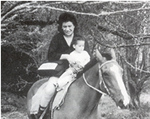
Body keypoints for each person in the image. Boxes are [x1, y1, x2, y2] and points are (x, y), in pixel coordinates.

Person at [30, 12, 91, 117]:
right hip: (60, 71)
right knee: (49, 89)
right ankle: (41, 112)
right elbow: (51, 55)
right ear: (61, 27)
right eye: (64, 26)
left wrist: (81, 66)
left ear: (74, 26)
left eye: (69, 26)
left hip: (79, 72)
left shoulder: (81, 39)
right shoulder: (57, 38)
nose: (67, 29)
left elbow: (88, 55)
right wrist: (66, 56)